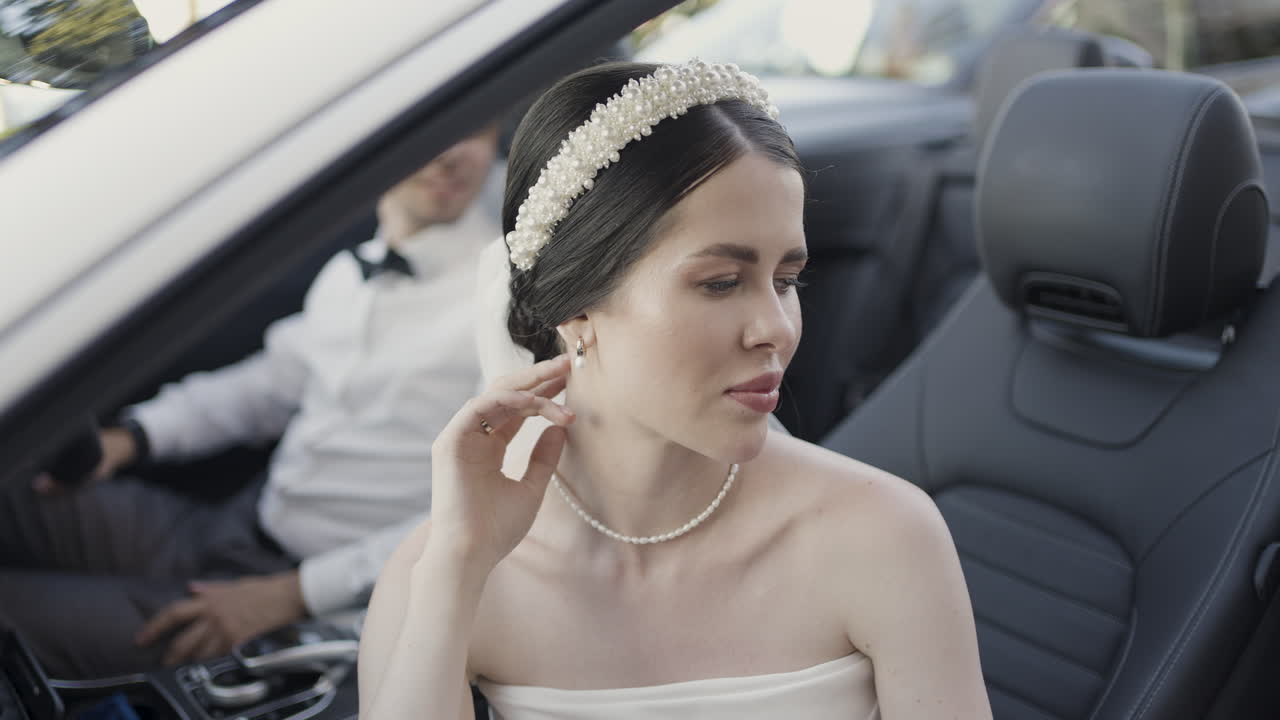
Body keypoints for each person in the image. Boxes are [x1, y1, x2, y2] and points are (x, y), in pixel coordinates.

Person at [358, 61, 991, 719]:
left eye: (786, 280)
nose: (775, 329)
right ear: (576, 308)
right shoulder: (443, 571)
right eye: (721, 282)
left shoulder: (884, 536)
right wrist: (457, 570)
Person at [0, 124, 502, 679]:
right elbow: (263, 389)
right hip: (229, 529)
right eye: (430, 130)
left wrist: (293, 596)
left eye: (474, 132)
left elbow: (482, 512)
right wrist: (130, 439)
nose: (453, 150)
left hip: (300, 603)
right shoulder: (346, 272)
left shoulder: (502, 301)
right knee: (13, 490)